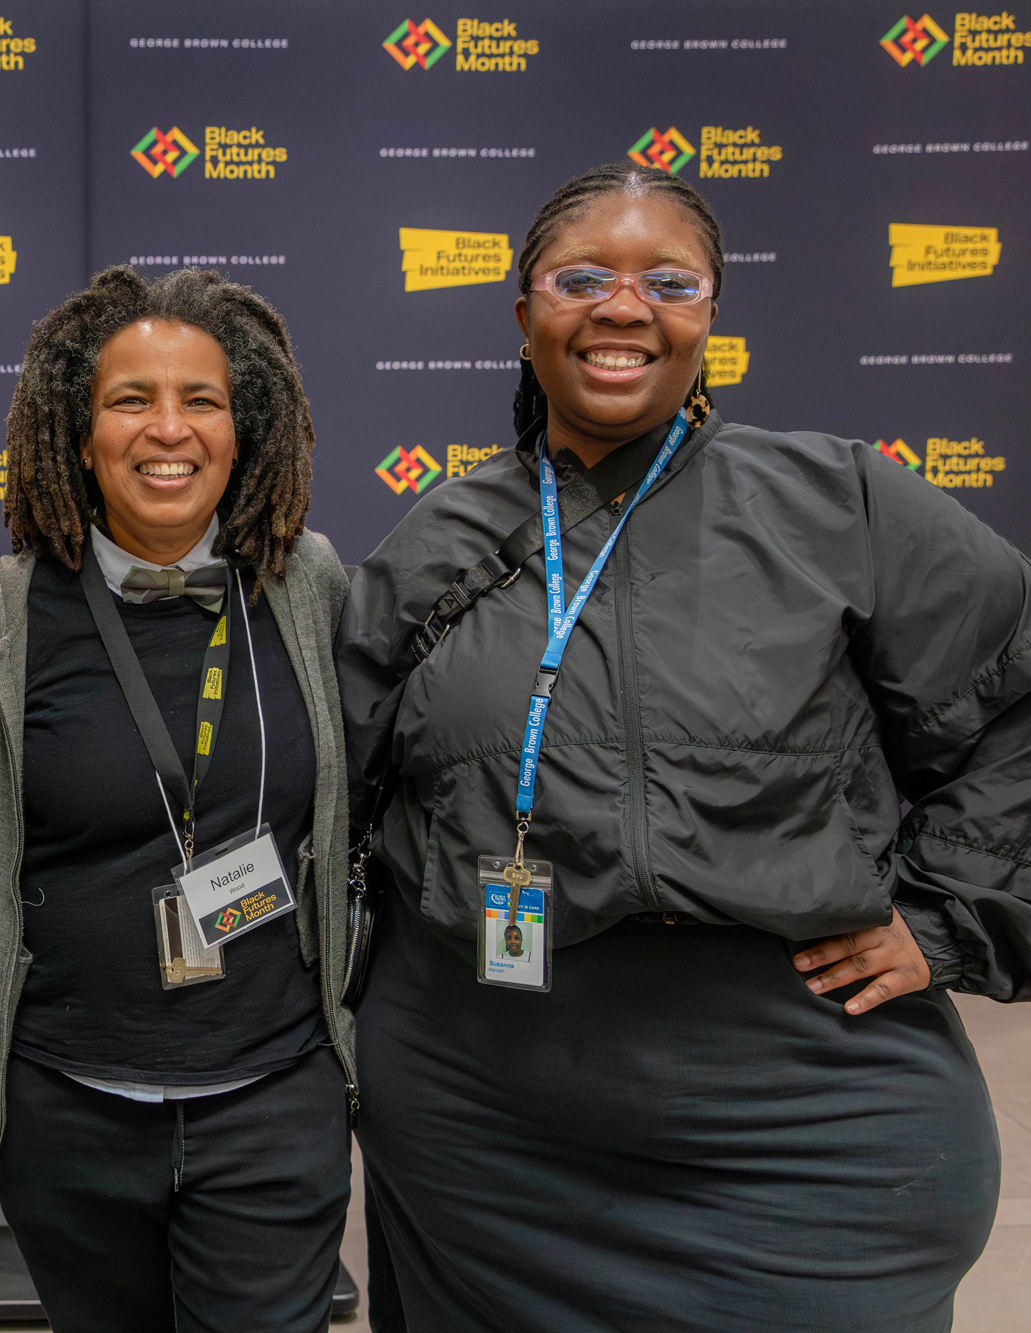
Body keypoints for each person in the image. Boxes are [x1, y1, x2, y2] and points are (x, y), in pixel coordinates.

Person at [337, 162, 1031, 1332]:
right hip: (487, 1124)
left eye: (668, 279)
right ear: (521, 317)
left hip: (802, 1121)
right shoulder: (439, 540)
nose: (622, 306)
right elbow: (337, 788)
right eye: (580, 277)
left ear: (709, 312)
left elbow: (1014, 697)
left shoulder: (835, 503)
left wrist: (945, 913)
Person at [0, 266, 357, 1333]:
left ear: (242, 426)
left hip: (270, 1095)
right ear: (77, 436)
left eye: (200, 399)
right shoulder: (2, 619)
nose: (166, 429)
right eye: (129, 400)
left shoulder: (310, 590)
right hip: (66, 1107)